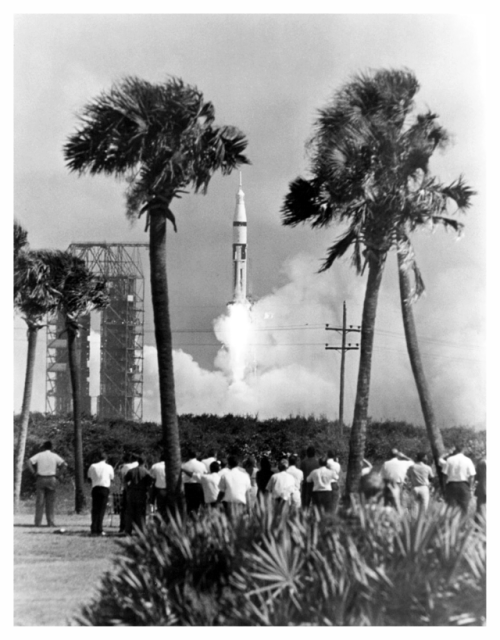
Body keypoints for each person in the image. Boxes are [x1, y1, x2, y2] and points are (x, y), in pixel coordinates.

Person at [27, 440, 67, 527]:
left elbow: (28, 462)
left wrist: (34, 472)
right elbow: (64, 465)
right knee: (50, 502)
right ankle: (50, 522)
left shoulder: (39, 455)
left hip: (41, 478)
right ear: (51, 448)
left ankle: (38, 523)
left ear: (44, 447)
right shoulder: (54, 456)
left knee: (39, 502)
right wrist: (58, 474)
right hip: (52, 478)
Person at [441, 443, 476, 513]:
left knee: (451, 508)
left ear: (456, 449)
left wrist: (444, 487)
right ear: (464, 450)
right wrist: (471, 488)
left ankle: (450, 523)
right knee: (464, 508)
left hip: (451, 485)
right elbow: (472, 475)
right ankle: (462, 523)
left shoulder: (449, 459)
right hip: (464, 485)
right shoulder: (468, 460)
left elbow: (444, 475)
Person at [87, 450, 114, 536]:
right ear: (106, 458)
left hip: (95, 488)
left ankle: (94, 527)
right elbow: (112, 477)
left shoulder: (93, 466)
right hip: (104, 488)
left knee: (95, 509)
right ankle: (99, 528)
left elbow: (89, 476)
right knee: (102, 510)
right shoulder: (109, 467)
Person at [124, 456, 153, 534]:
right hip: (142, 493)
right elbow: (149, 485)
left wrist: (127, 489)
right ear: (145, 462)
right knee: (141, 513)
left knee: (130, 512)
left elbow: (125, 481)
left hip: (132, 493)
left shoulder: (131, 471)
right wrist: (150, 495)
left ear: (138, 461)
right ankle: (141, 530)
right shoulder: (147, 472)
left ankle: (128, 530)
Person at [217, 455, 251, 519]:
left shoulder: (225, 476)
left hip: (228, 505)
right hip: (241, 505)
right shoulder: (246, 476)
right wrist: (249, 509)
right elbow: (247, 494)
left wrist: (217, 502)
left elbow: (222, 492)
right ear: (238, 463)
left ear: (228, 464)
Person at [117, 452, 138, 533]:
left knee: (124, 509)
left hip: (125, 489)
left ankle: (123, 526)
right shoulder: (134, 467)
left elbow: (121, 477)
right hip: (134, 489)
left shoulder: (123, 467)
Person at [181, 449, 206, 514]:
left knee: (188, 506)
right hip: (198, 486)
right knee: (197, 505)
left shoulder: (184, 465)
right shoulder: (201, 464)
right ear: (196, 455)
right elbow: (205, 474)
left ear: (188, 455)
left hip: (187, 487)